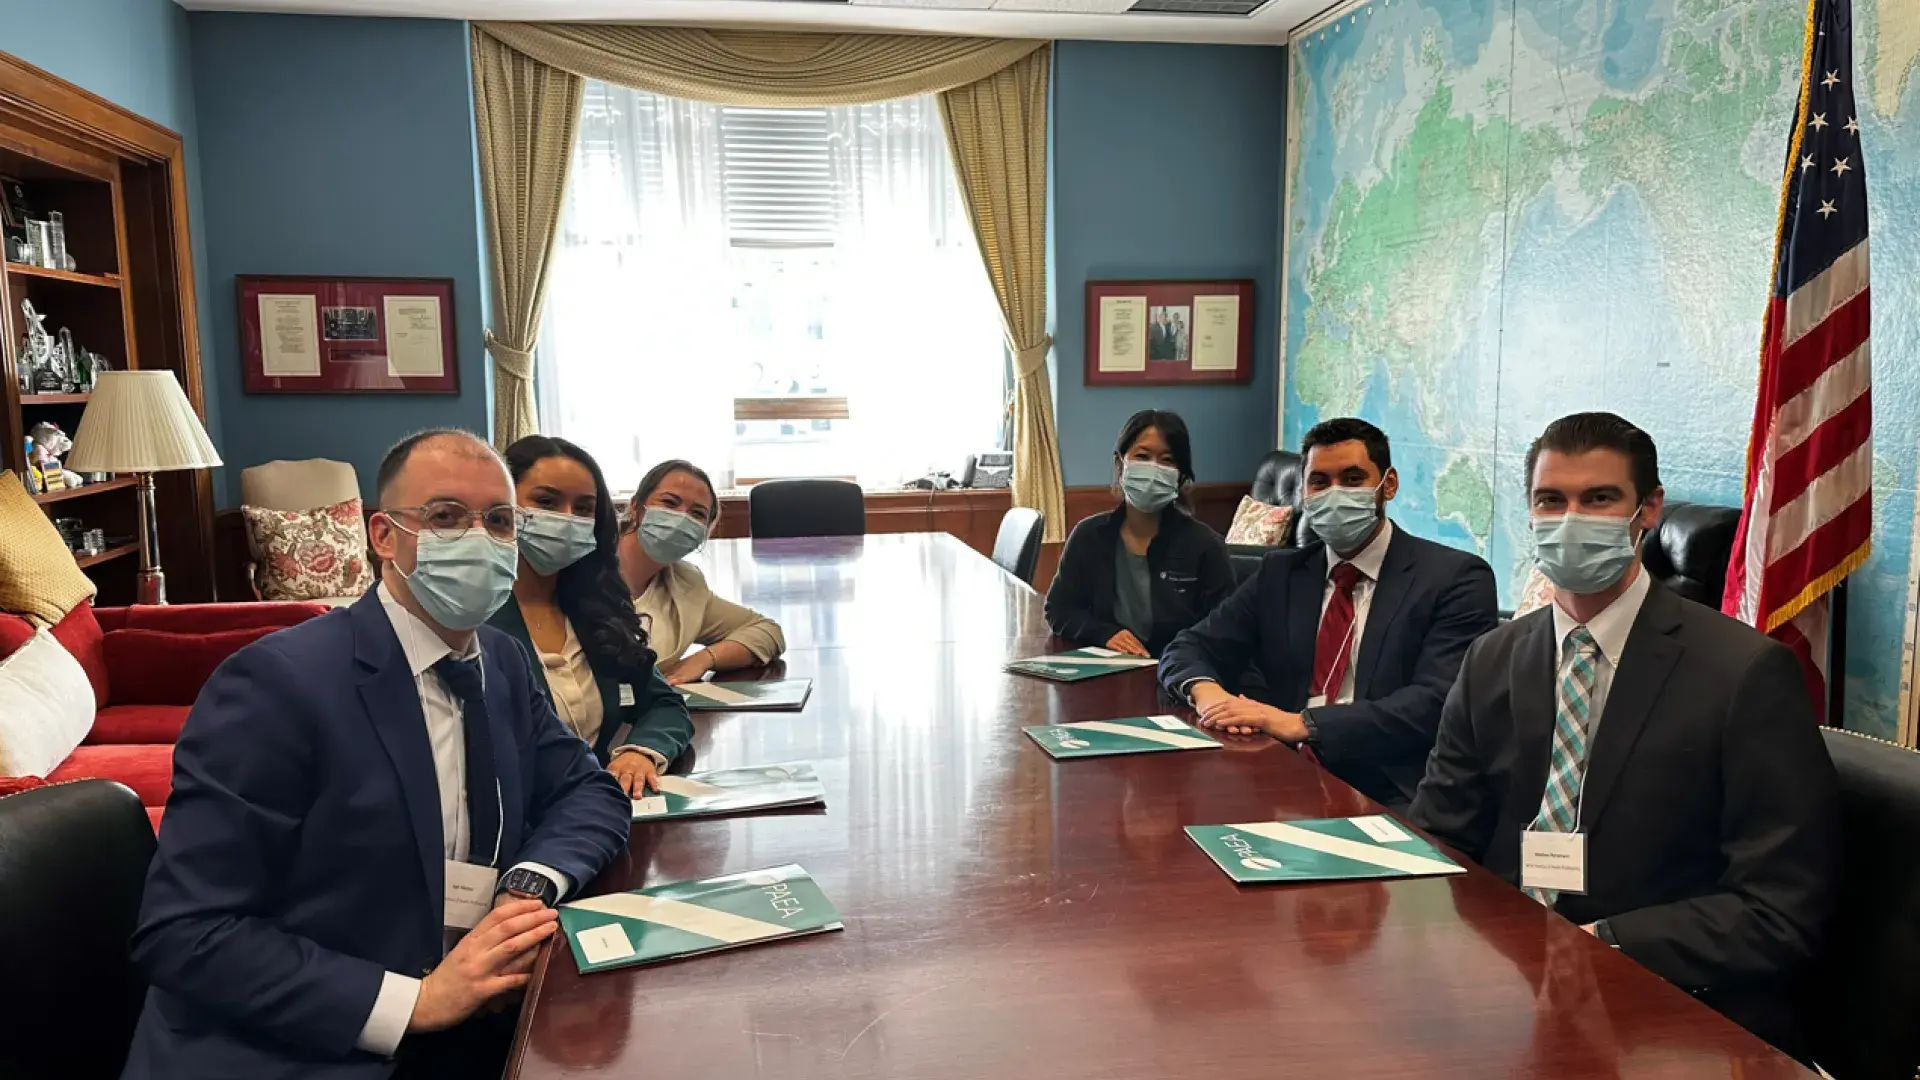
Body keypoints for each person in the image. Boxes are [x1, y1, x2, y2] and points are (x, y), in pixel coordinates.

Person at [123, 430, 631, 1080]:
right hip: (308, 1048)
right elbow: (186, 935)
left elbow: (588, 791)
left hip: (482, 1020)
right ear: (385, 537)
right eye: (447, 517)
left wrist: (525, 885)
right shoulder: (278, 685)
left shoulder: (499, 661)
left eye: (500, 521)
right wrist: (415, 1002)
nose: (480, 539)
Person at [1409, 412, 1838, 1056]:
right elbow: (1443, 835)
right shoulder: (1494, 657)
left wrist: (1595, 945)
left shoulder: (1744, 673)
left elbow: (1780, 907)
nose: (1571, 519)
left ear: (1650, 510)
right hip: (1506, 990)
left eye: (1600, 498)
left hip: (1666, 1009)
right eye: (1551, 500)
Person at [1158, 417, 1498, 808]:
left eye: (1353, 479)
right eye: (1320, 481)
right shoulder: (1281, 573)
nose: (1335, 493)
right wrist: (1209, 697)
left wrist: (1299, 724)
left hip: (1393, 790)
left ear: (1388, 485)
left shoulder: (1454, 579)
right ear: (1303, 491)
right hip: (1283, 775)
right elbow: (1189, 646)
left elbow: (1436, 702)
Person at [490, 435, 694, 797]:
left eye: (583, 509)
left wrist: (640, 752)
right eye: (546, 501)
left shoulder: (595, 610)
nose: (567, 519)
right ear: (503, 507)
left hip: (599, 810)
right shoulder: (474, 618)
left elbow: (664, 704)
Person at [1046, 410, 1237, 658]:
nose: (1153, 469)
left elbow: (1228, 630)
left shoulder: (1205, 546)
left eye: (1167, 460)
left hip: (1179, 676)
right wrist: (1104, 633)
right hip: (1107, 673)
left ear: (1180, 476)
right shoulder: (1088, 536)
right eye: (1142, 456)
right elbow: (1059, 610)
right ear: (1120, 464)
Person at [617, 459, 785, 684]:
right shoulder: (579, 569)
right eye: (669, 503)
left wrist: (704, 659)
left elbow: (767, 631)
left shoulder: (686, 585)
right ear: (636, 507)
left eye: (697, 514)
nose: (681, 518)